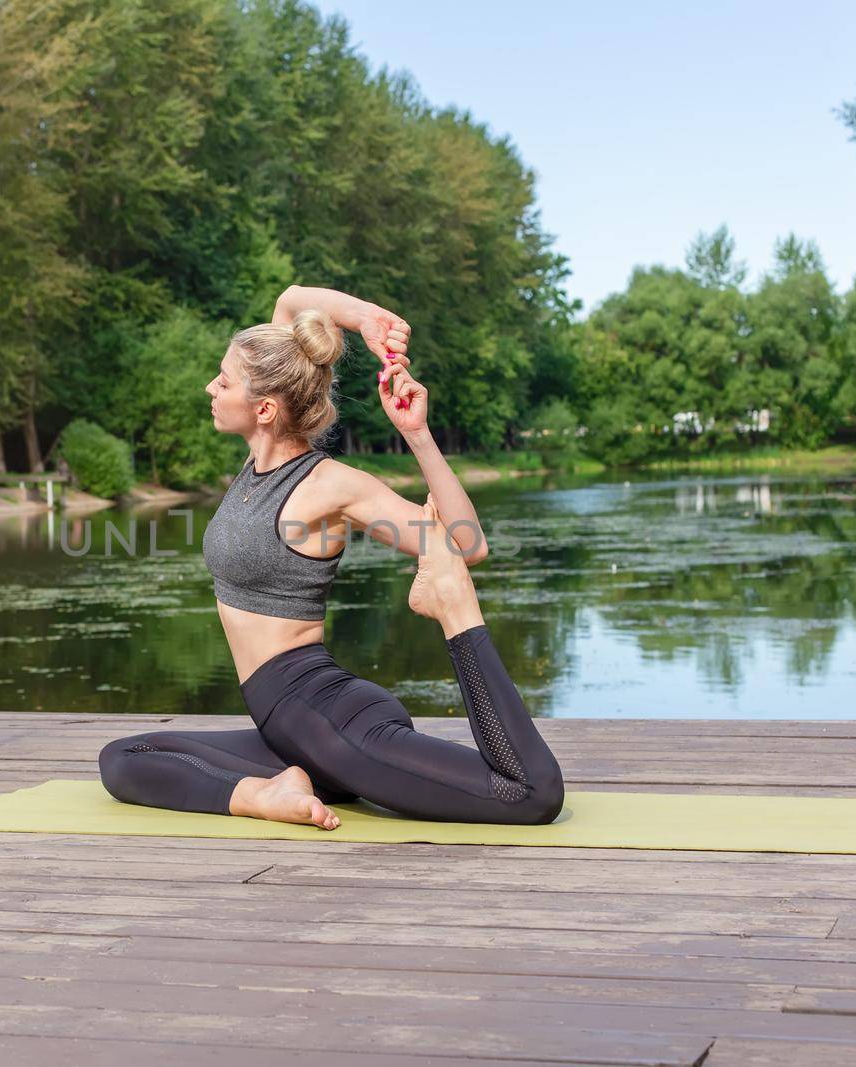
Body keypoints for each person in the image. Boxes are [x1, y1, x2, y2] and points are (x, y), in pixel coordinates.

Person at [98, 285, 564, 829]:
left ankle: (263, 796)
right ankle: (281, 784)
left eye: (223, 381)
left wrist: (417, 434)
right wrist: (367, 320)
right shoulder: (257, 459)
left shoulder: (328, 486)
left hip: (328, 720)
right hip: (288, 726)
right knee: (126, 759)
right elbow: (292, 301)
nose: (212, 386)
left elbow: (465, 545)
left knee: (529, 794)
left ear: (264, 408)